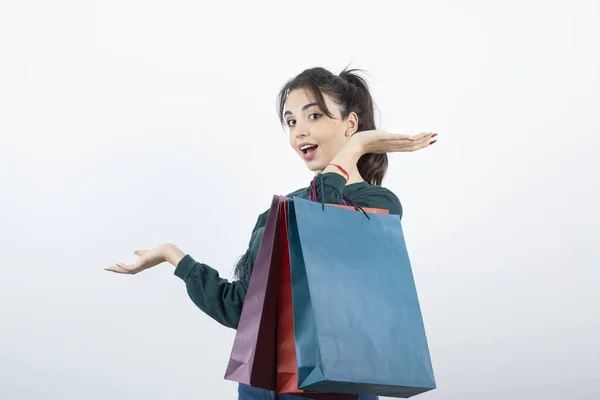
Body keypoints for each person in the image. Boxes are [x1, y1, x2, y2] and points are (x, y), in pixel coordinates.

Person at [105, 66, 437, 399]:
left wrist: (355, 149)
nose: (299, 132)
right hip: (258, 389)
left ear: (351, 123)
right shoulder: (277, 210)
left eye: (314, 116)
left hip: (335, 389)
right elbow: (243, 309)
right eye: (291, 122)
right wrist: (172, 255)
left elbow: (323, 226)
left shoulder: (378, 203)